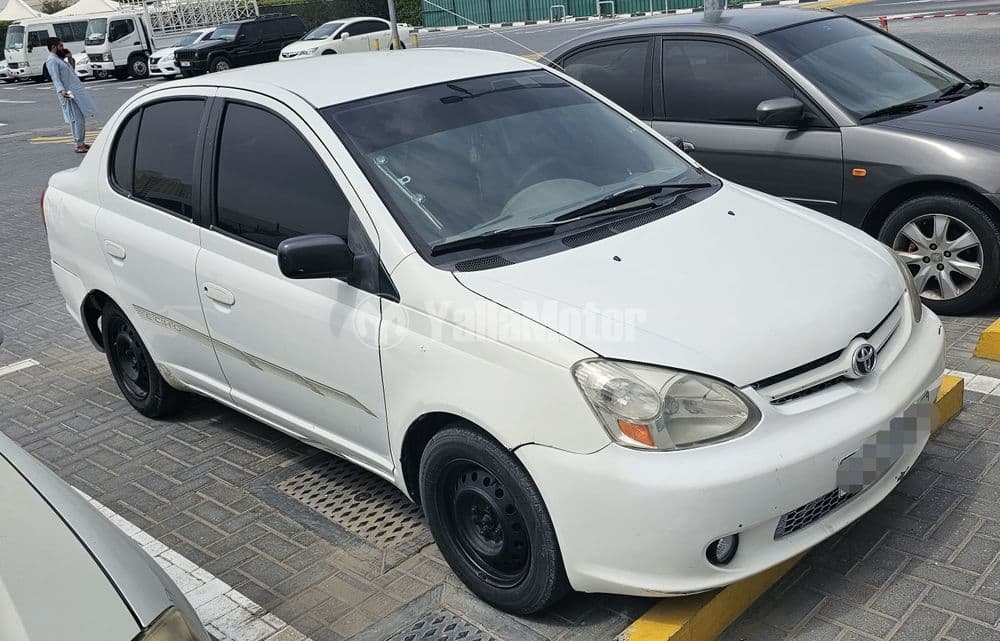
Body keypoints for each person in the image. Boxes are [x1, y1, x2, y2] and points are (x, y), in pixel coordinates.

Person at [44, 37, 97, 154]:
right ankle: (79, 145)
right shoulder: (52, 60)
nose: (63, 48)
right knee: (76, 118)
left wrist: (70, 58)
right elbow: (55, 78)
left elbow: (71, 70)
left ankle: (81, 143)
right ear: (53, 47)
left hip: (73, 91)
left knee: (79, 118)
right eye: (60, 46)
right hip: (67, 93)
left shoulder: (59, 59)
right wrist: (62, 91)